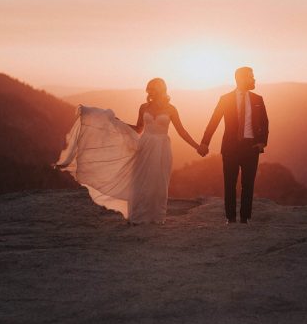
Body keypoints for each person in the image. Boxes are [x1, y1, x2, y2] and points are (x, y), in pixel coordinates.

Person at [56, 78, 201, 224]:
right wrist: (119, 123)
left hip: (162, 148)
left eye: (153, 89)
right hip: (145, 146)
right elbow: (139, 129)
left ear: (161, 90)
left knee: (159, 183)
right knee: (140, 181)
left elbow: (182, 131)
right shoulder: (144, 107)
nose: (150, 92)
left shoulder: (171, 109)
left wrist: (197, 146)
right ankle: (138, 216)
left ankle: (156, 218)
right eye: (149, 89)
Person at [198, 67, 269, 224]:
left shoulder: (258, 99)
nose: (254, 79)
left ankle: (245, 218)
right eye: (251, 77)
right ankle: (230, 218)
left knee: (248, 184)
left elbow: (264, 122)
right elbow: (214, 121)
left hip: (251, 147)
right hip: (231, 147)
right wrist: (204, 143)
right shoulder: (226, 99)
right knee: (229, 183)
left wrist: (262, 142)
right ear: (240, 79)